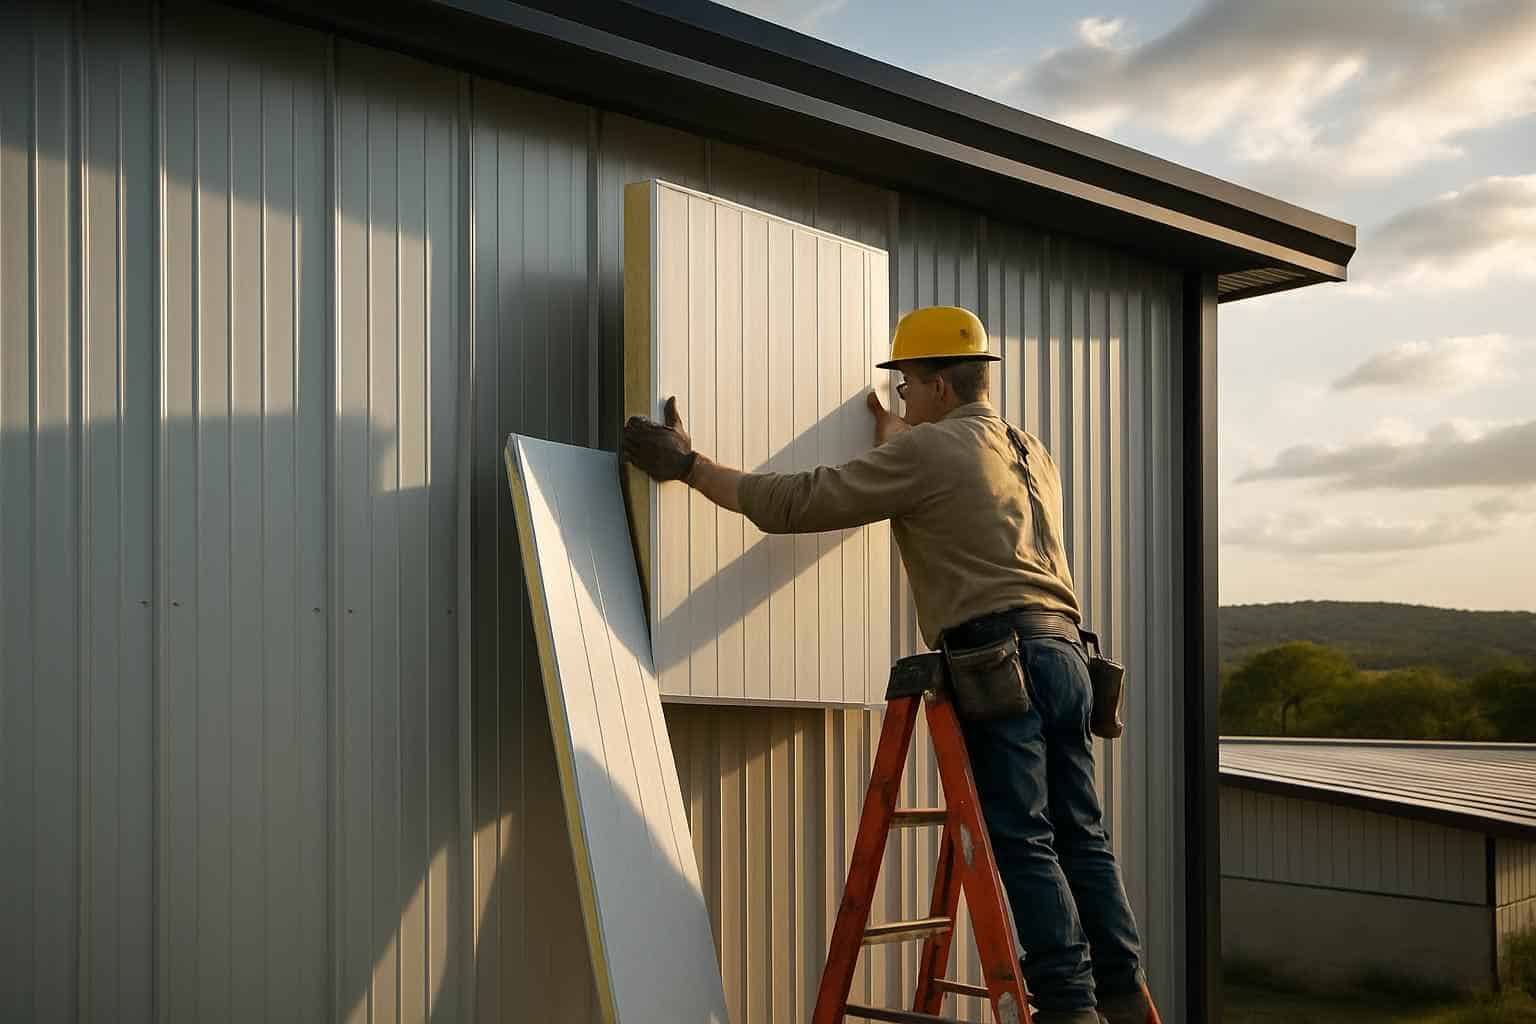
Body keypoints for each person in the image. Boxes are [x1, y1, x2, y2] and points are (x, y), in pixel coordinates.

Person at [622, 305, 1156, 1024]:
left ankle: (1067, 1008)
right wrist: (897, 436)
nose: (901, 397)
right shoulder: (1027, 448)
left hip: (1003, 659)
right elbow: (947, 476)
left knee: (1023, 838)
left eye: (905, 386)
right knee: (1080, 835)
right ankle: (1119, 992)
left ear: (937, 384)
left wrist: (688, 466)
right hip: (1066, 655)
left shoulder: (929, 452)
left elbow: (795, 502)